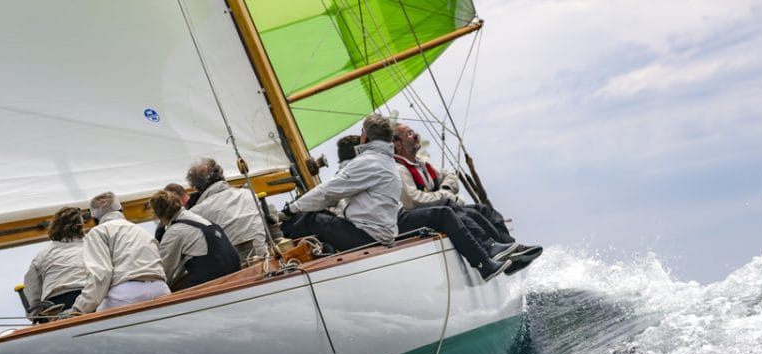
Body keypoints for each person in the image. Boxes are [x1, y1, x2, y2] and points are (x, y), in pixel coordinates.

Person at [393, 123, 542, 271]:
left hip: (439, 205)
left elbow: (450, 176)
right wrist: (445, 195)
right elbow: (413, 201)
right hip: (421, 215)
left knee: (484, 210)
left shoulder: (421, 164)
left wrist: (445, 189)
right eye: (409, 134)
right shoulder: (399, 169)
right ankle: (492, 250)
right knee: (469, 213)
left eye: (413, 132)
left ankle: (511, 251)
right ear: (398, 144)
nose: (416, 136)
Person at [279, 113, 400, 251]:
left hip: (368, 237)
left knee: (308, 219)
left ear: (364, 136)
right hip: (382, 236)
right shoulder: (387, 161)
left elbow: (328, 192)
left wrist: (289, 210)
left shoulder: (368, 161)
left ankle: (276, 248)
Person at [70, 192, 170, 314]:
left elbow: (101, 274)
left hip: (126, 294)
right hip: (160, 289)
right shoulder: (141, 230)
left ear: (94, 219)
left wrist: (77, 309)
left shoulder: (98, 232)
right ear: (121, 210)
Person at [149, 189, 240, 289]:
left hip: (215, 277)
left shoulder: (174, 232)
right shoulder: (198, 218)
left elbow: (164, 272)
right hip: (235, 269)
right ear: (179, 203)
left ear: (158, 215)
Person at [185, 158, 267, 264]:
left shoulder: (195, 214)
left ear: (196, 188)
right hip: (265, 259)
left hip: (234, 269)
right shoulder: (249, 194)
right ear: (221, 175)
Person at [22, 207, 91, 318]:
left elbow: (31, 284)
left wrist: (35, 311)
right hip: (86, 297)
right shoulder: (91, 244)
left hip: (54, 303)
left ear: (54, 227)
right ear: (81, 226)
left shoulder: (43, 254)